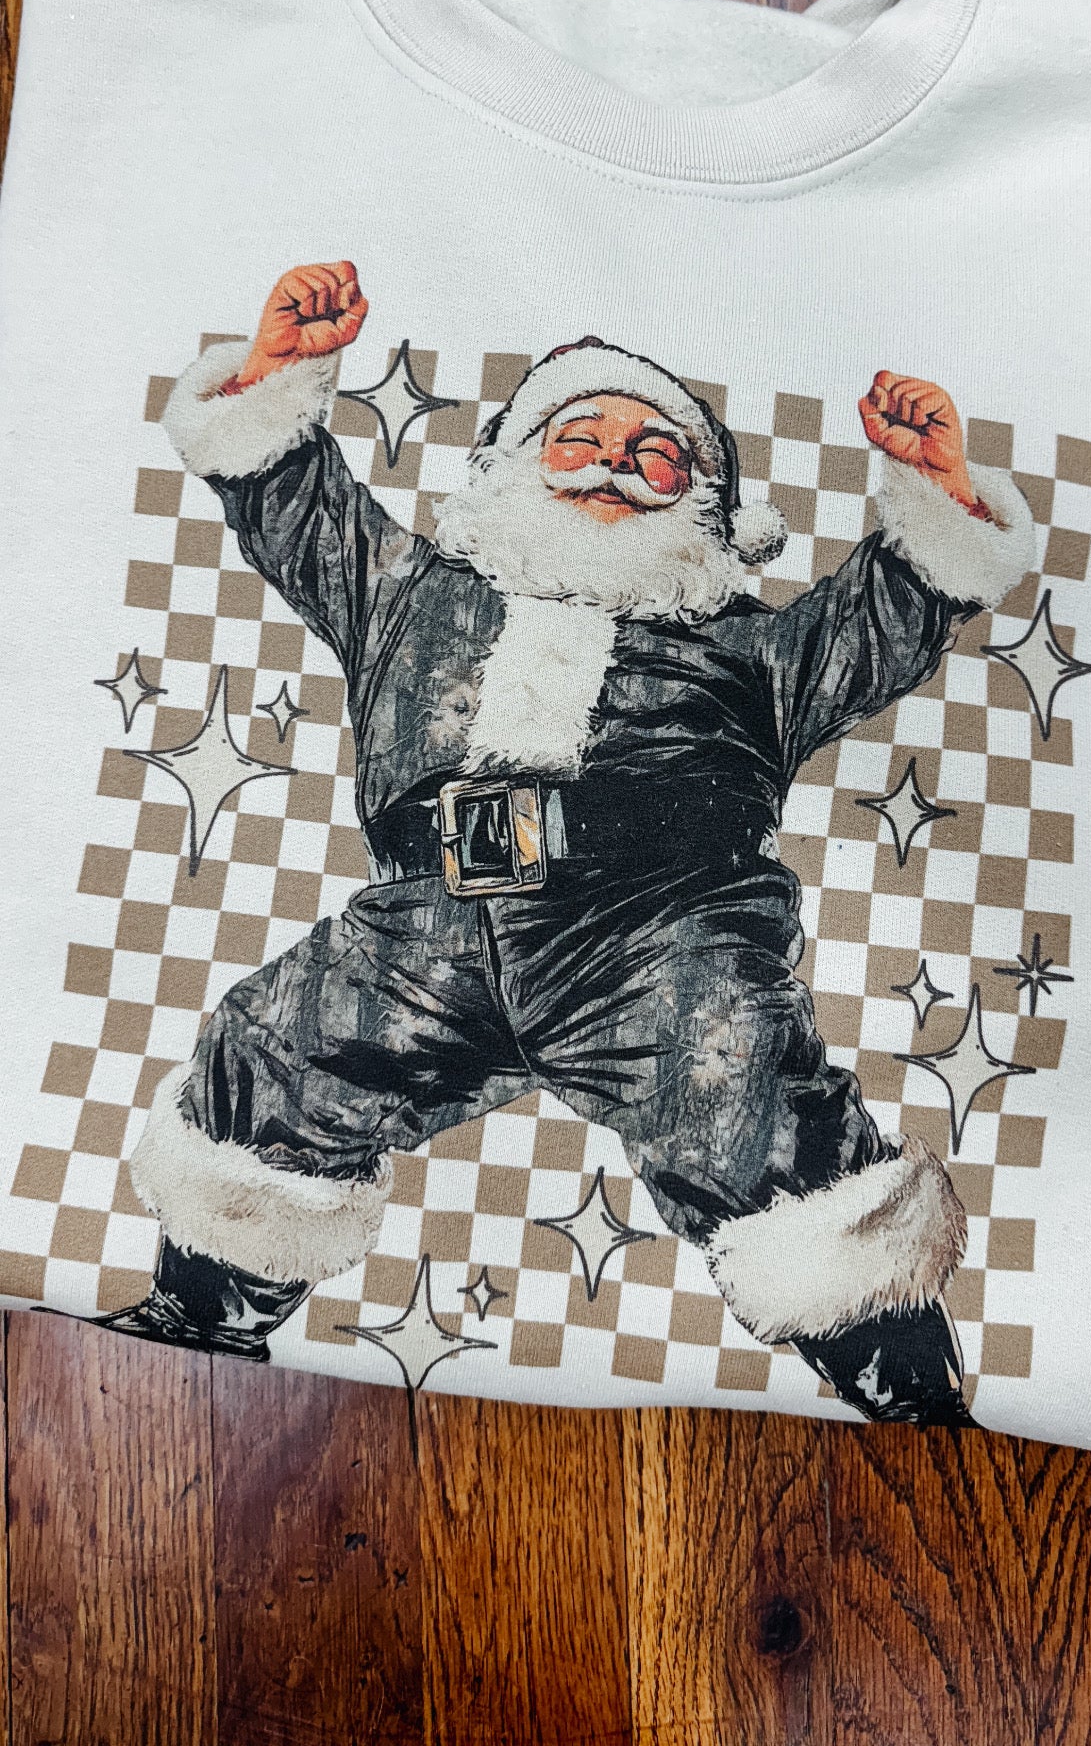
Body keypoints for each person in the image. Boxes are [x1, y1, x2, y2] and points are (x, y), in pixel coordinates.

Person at [110, 261, 1034, 1423]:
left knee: (752, 1107)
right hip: (425, 928)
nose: (611, 462)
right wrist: (275, 381)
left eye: (656, 454)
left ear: (708, 509)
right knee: (281, 1049)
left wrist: (937, 499)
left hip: (659, 939)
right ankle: (200, 1316)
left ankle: (906, 1390)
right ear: (511, 463)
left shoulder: (752, 650)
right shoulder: (410, 593)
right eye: (578, 437)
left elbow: (884, 619)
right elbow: (301, 511)